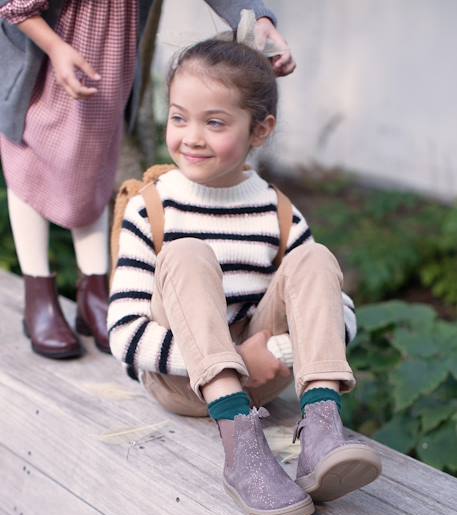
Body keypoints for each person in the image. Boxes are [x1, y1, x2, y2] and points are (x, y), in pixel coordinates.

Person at [108, 36, 382, 515]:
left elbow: (334, 310)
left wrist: (276, 354)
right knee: (187, 253)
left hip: (264, 378)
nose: (191, 137)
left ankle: (321, 427)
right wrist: (236, 362)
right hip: (179, 382)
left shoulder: (277, 213)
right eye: (178, 117)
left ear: (260, 130)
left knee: (314, 260)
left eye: (214, 122)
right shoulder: (149, 207)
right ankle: (243, 450)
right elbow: (124, 332)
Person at [0, 0, 293, 360]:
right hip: (44, 53)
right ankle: (38, 291)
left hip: (108, 53)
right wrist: (56, 48)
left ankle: (94, 286)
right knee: (30, 156)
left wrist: (258, 19)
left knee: (94, 161)